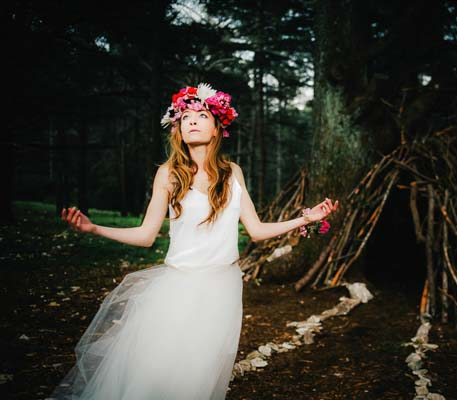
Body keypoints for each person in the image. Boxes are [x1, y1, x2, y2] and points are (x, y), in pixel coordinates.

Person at [48, 83, 339, 400]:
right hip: (179, 287)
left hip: (223, 287)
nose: (193, 121)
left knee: (198, 377)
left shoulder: (233, 173)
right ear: (178, 129)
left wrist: (305, 219)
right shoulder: (169, 174)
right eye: (186, 117)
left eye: (202, 115)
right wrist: (95, 229)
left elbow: (255, 230)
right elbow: (146, 235)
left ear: (217, 129)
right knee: (158, 374)